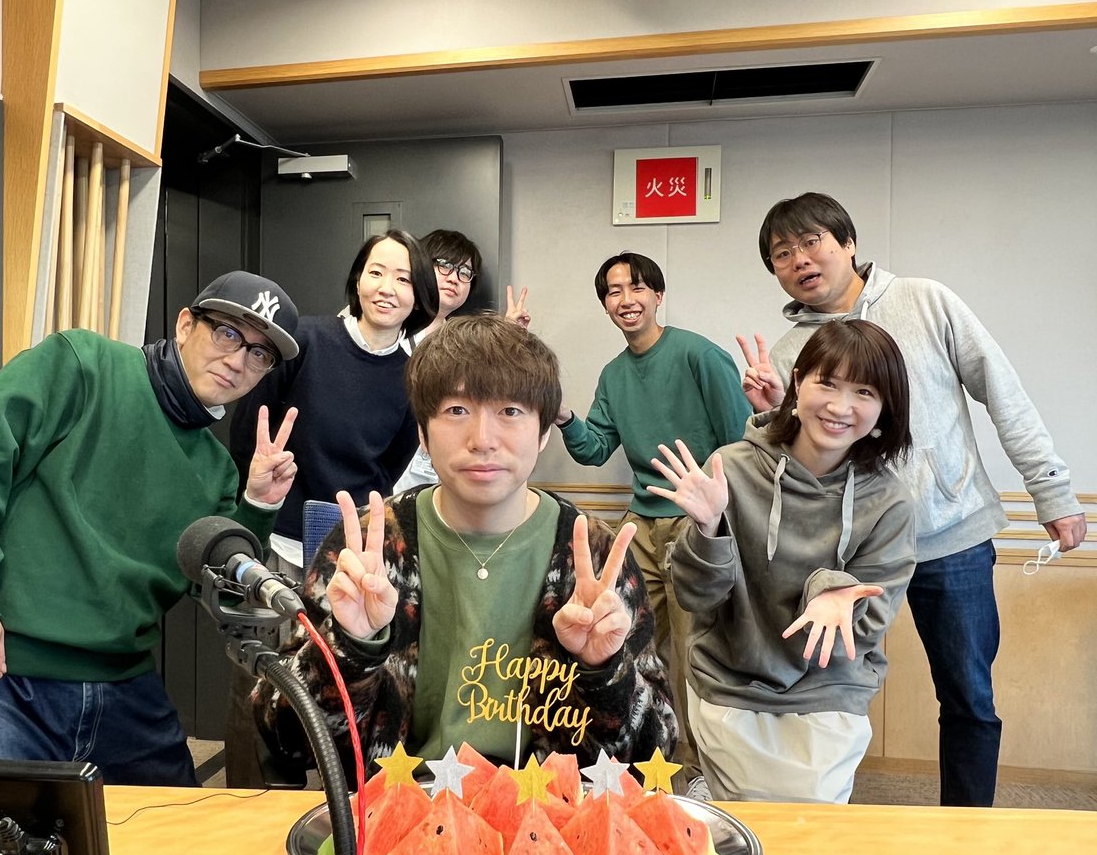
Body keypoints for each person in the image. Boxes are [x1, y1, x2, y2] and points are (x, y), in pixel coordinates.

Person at [741, 191, 1087, 806]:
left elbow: (1002, 391)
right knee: (822, 684)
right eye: (782, 254)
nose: (800, 260)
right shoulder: (791, 353)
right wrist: (773, 413)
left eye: (812, 242)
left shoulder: (925, 300)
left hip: (949, 539)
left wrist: (1052, 490)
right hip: (849, 555)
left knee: (968, 696)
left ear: (848, 243)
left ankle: (967, 828)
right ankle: (819, 814)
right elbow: (793, 458)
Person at [0, 271, 302, 785]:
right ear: (185, 325)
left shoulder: (217, 470)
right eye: (228, 333)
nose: (238, 360)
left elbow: (216, 587)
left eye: (259, 354)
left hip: (121, 685)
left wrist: (258, 505)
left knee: (182, 824)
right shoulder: (80, 364)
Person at [253, 314, 678, 778]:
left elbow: (654, 750)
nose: (483, 440)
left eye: (510, 411)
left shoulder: (592, 556)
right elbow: (286, 737)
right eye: (456, 410)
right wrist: (349, 649)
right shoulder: (373, 546)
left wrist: (605, 670)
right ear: (422, 433)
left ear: (543, 433)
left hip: (551, 809)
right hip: (402, 804)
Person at [656, 319, 916, 803]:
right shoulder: (731, 469)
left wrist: (832, 592)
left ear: (885, 407)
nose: (840, 406)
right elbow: (695, 597)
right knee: (743, 829)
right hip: (730, 684)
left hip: (829, 690)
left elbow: (864, 628)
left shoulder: (889, 501)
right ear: (798, 383)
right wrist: (708, 530)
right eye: (827, 383)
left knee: (811, 831)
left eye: (864, 392)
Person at [553, 251, 751, 785]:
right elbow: (594, 449)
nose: (626, 299)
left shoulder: (699, 355)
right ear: (605, 305)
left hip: (695, 523)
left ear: (658, 296)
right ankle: (645, 766)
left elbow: (741, 443)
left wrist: (719, 520)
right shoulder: (614, 375)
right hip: (639, 525)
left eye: (637, 288)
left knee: (696, 652)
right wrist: (564, 415)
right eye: (614, 292)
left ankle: (705, 772)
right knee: (632, 646)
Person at [229, 229, 438, 572]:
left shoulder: (413, 378)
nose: (387, 288)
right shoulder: (302, 340)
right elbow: (247, 432)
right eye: (376, 272)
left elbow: (389, 469)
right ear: (358, 281)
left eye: (404, 279)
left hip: (351, 548)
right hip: (276, 538)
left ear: (419, 296)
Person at [394, 227, 532, 493]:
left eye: (464, 272)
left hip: (446, 475)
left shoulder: (464, 343)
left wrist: (507, 340)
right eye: (444, 265)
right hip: (386, 475)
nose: (454, 278)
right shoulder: (389, 329)